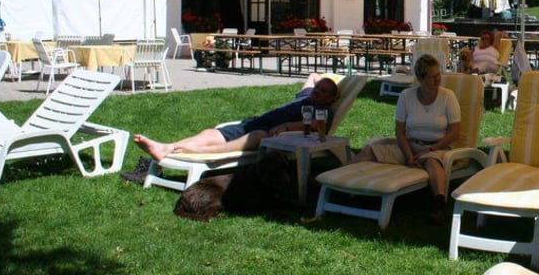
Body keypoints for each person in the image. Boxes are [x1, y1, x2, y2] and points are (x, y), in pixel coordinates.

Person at [353, 54, 460, 224]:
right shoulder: (406, 95)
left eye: (438, 75)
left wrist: (431, 149)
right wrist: (409, 154)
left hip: (437, 148)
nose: (437, 79)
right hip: (408, 146)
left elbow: (454, 133)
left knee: (432, 163)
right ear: (420, 78)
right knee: (369, 151)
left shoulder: (448, 97)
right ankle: (347, 186)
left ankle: (440, 205)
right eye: (432, 76)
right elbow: (400, 131)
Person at [134, 73, 340, 161]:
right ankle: (167, 147)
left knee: (257, 136)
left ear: (332, 98)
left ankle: (194, 150)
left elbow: (315, 127)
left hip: (267, 134)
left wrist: (287, 126)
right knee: (209, 132)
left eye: (323, 91)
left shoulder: (323, 110)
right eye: (318, 88)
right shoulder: (305, 95)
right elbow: (312, 75)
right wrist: (326, 82)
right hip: (253, 123)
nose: (317, 91)